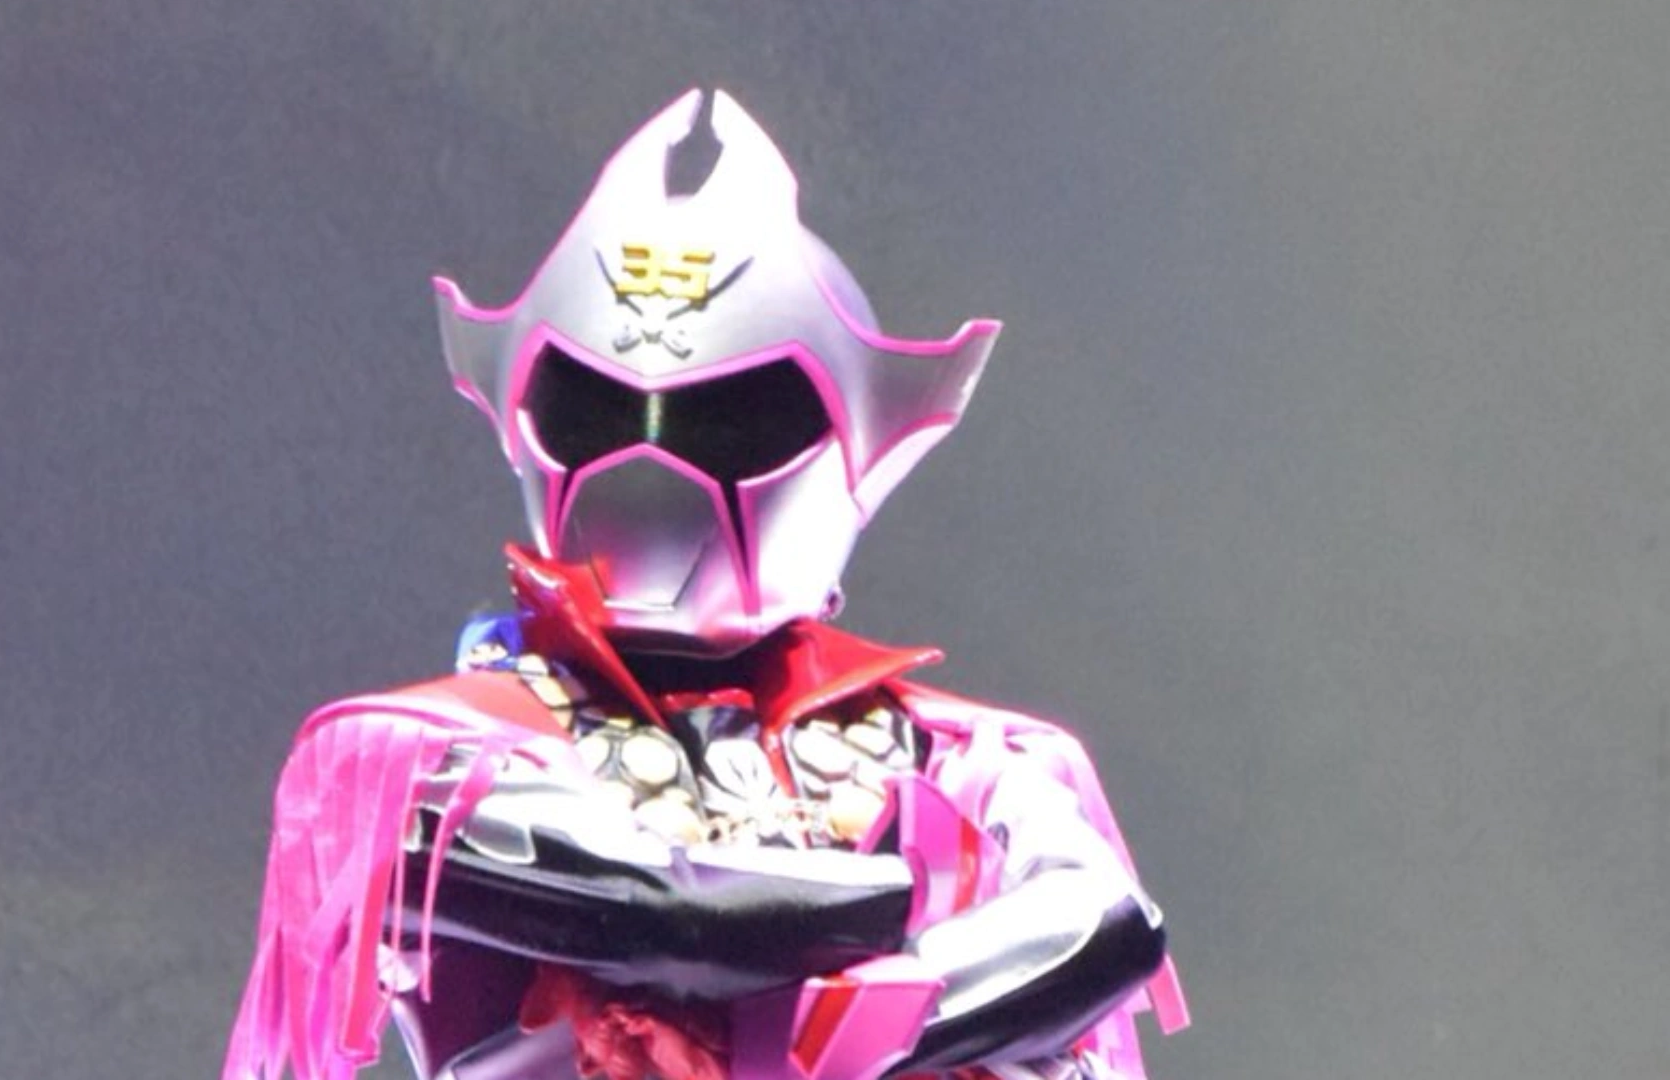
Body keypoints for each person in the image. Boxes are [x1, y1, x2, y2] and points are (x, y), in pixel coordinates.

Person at [223, 89, 1186, 1080]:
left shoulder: (959, 756)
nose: (652, 458)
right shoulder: (405, 761)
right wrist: (945, 901)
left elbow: (1107, 924)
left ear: (862, 441)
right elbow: (667, 914)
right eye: (596, 410)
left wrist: (864, 1014)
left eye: (734, 420)